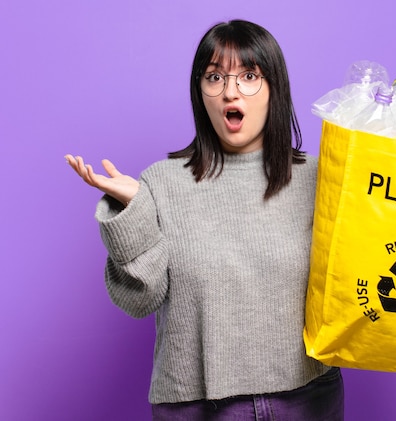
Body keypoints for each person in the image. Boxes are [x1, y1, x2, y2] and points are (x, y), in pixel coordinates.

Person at [65, 19, 344, 420]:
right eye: (215, 76)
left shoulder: (320, 179)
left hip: (308, 399)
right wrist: (133, 210)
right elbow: (137, 300)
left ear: (274, 89)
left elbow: (360, 274)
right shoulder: (159, 184)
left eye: (249, 75)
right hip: (197, 406)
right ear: (200, 91)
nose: (230, 91)